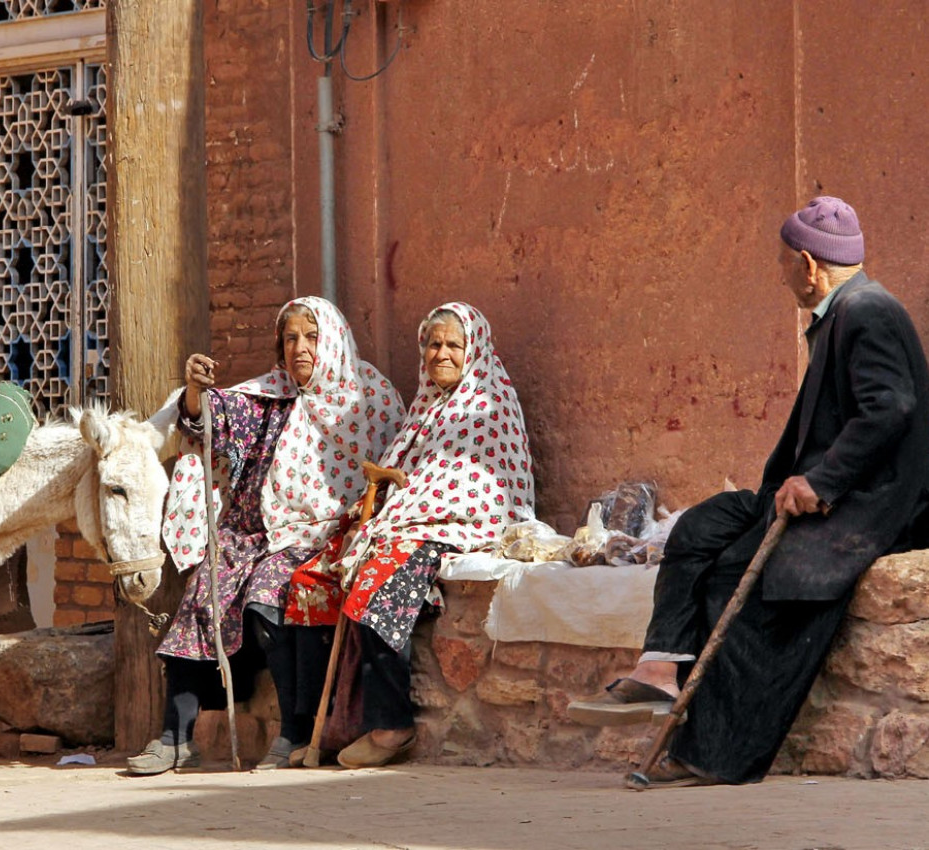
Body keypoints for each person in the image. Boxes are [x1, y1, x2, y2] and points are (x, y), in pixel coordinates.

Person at [568, 196, 929, 787]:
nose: (782, 274)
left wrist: (821, 481)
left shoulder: (867, 311)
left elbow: (891, 407)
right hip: (810, 492)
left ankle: (713, 755)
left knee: (744, 580)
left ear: (809, 265)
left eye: (785, 263)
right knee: (701, 527)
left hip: (868, 506)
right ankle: (660, 666)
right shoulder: (842, 312)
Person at [128, 296, 403, 775]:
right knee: (204, 591)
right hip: (254, 533)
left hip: (321, 535)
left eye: (312, 337)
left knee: (268, 595)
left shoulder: (367, 397)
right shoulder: (269, 398)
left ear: (333, 341)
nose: (300, 348)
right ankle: (175, 736)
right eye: (291, 337)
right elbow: (211, 418)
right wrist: (194, 391)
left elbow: (388, 468)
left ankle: (294, 731)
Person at [285, 301, 535, 768]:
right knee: (311, 582)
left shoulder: (488, 404)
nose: (441, 354)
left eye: (453, 345)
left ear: (473, 350)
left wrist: (405, 512)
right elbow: (409, 473)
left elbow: (475, 487)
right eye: (434, 344)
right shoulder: (426, 406)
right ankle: (319, 727)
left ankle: (391, 725)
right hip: (408, 521)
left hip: (458, 526)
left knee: (374, 590)